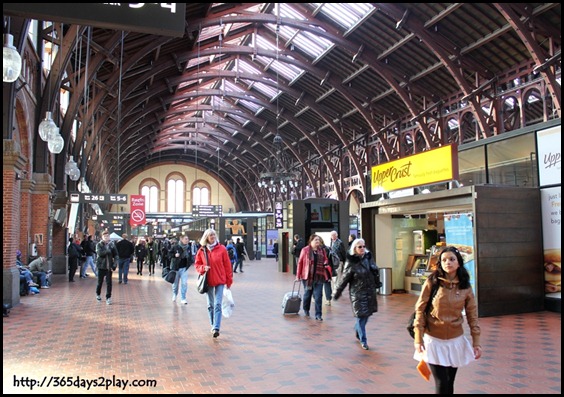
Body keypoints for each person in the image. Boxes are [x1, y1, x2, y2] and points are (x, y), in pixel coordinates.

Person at [413, 246, 482, 394]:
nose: (448, 262)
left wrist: (476, 341)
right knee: (441, 382)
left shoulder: (465, 287)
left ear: (459, 263)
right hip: (434, 339)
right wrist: (418, 339)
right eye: (444, 260)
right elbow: (419, 310)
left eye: (451, 259)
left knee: (450, 382)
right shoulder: (433, 283)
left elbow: (472, 315)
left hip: (455, 341)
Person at [333, 238, 380, 350]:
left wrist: (377, 282)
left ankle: (357, 329)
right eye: (360, 247)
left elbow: (374, 271)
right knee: (361, 317)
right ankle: (363, 340)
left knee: (366, 316)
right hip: (357, 293)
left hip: (369, 291)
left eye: (363, 246)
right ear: (354, 248)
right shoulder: (351, 262)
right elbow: (344, 279)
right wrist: (337, 292)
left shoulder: (368, 258)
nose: (362, 248)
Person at [194, 228, 233, 338]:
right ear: (206, 237)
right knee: (210, 305)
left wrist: (229, 281)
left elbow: (227, 266)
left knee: (217, 304)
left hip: (220, 280)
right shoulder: (202, 250)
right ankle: (212, 325)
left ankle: (216, 327)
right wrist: (203, 268)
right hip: (208, 281)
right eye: (210, 235)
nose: (213, 237)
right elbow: (197, 264)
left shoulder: (222, 249)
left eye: (214, 235)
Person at [296, 234, 330, 321]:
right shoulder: (305, 250)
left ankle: (318, 315)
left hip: (319, 276)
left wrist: (325, 262)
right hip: (307, 277)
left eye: (318, 240)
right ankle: (306, 309)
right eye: (316, 240)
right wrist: (298, 276)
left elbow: (326, 259)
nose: (317, 241)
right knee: (308, 294)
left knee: (318, 296)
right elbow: (300, 263)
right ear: (311, 241)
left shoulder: (322, 250)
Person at [95, 230, 119, 305]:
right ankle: (98, 294)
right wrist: (107, 251)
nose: (106, 237)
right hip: (101, 266)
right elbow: (100, 253)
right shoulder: (99, 245)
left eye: (107, 236)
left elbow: (116, 255)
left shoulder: (112, 245)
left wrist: (114, 264)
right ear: (102, 237)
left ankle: (108, 297)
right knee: (100, 282)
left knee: (109, 283)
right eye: (105, 236)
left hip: (109, 267)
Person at [169, 235, 194, 304]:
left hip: (184, 268)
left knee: (184, 283)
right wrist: (174, 255)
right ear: (181, 239)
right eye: (186, 239)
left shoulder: (188, 247)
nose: (187, 240)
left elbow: (190, 256)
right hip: (176, 268)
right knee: (175, 284)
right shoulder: (175, 246)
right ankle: (175, 294)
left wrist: (191, 261)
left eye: (187, 239)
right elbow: (169, 254)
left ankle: (183, 298)